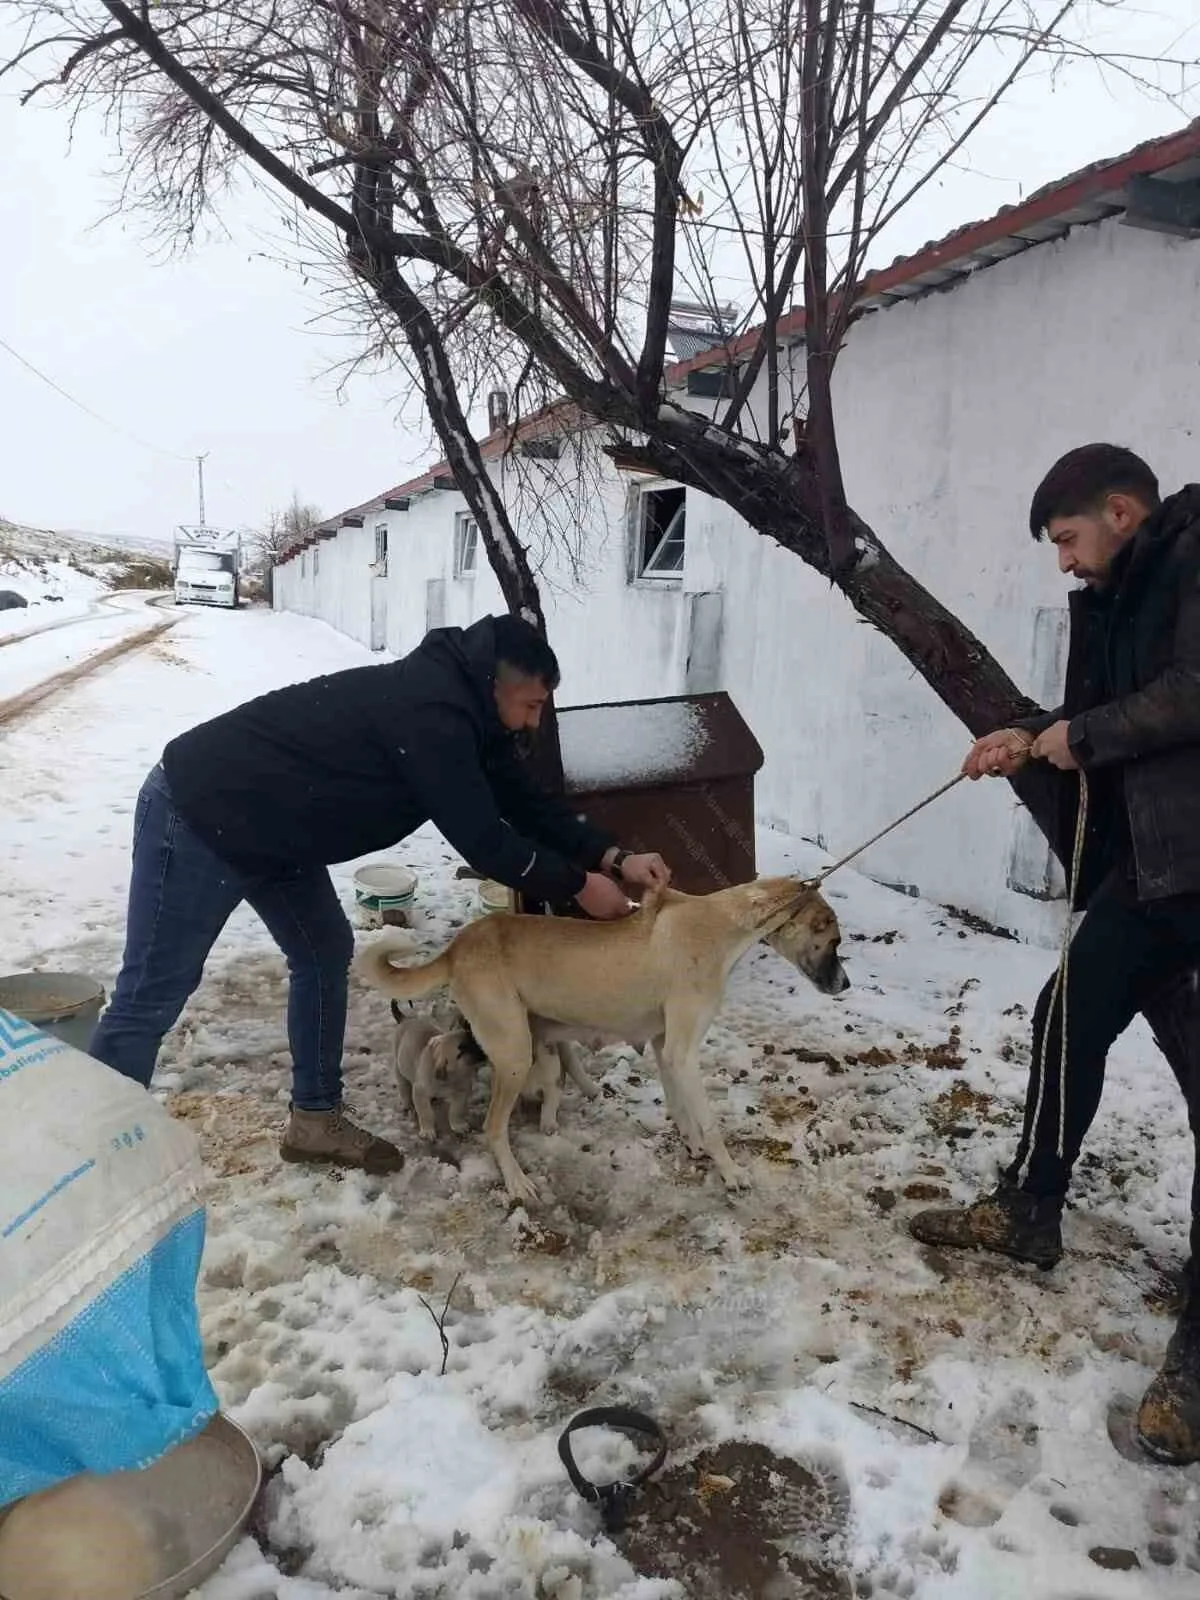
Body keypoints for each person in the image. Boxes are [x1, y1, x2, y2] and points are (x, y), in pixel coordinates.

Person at [90, 613, 671, 1174]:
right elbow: (484, 840)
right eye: (532, 706)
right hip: (200, 812)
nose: (533, 723)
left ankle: (315, 1121)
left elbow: (524, 803)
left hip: (277, 832)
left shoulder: (472, 718)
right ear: (499, 685)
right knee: (153, 993)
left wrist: (613, 858)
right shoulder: (431, 716)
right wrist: (577, 886)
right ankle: (95, 1158)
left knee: (321, 954)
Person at [908, 444, 1200, 1465]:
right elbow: (1101, 716)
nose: (1064, 565)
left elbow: (1190, 694)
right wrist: (1024, 733)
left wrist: (1077, 734)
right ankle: (1030, 1208)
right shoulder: (1116, 592)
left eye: (1070, 540)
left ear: (1124, 510)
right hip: (1156, 871)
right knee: (1064, 1015)